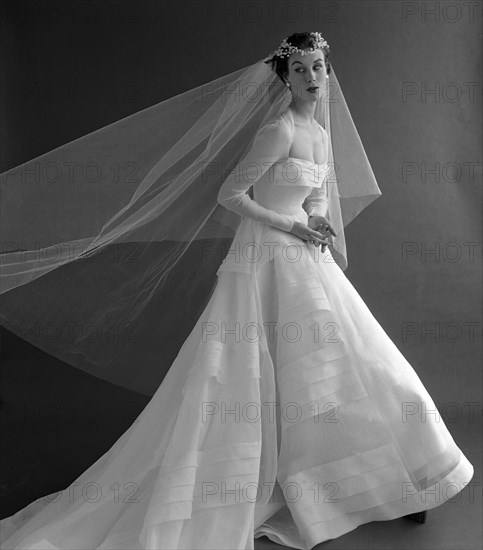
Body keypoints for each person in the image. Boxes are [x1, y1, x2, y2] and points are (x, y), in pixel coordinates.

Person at [0, 32, 474, 550]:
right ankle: (284, 480)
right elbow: (231, 195)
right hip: (264, 258)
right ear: (284, 78)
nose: (313, 79)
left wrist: (317, 219)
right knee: (264, 372)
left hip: (303, 256)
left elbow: (318, 191)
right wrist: (292, 226)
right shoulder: (279, 130)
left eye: (320, 68)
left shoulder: (319, 130)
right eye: (301, 71)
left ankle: (392, 479)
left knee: (354, 360)